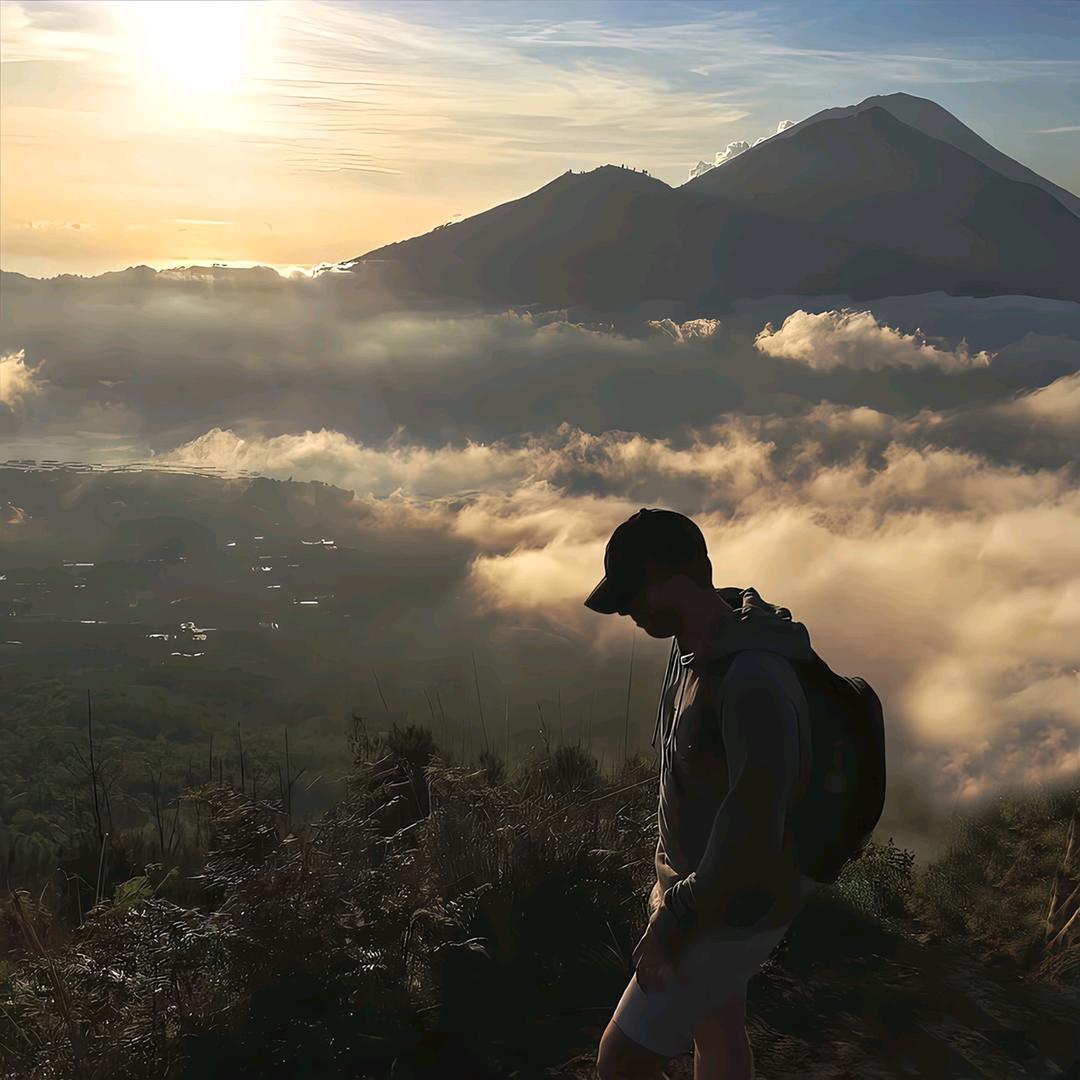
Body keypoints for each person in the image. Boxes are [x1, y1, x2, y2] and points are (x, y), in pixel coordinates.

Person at [584, 508, 822, 1080]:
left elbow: (753, 823)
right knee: (715, 1029)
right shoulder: (692, 648)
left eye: (633, 593)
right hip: (712, 900)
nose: (626, 610)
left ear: (673, 578)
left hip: (722, 909)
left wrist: (674, 922)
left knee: (621, 1059)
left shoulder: (752, 679)